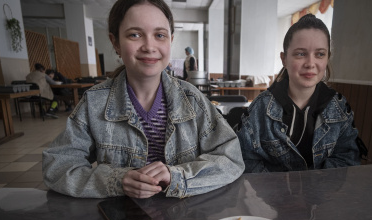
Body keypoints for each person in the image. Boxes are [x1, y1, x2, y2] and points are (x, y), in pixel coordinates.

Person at [42, 0, 244, 199]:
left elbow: (231, 158)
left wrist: (178, 177)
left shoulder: (192, 100)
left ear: (170, 40)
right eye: (135, 34)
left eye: (159, 35)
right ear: (115, 42)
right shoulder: (94, 103)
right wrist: (117, 180)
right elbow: (57, 166)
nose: (149, 46)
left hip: (186, 219)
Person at [235, 14, 361, 173]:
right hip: (272, 195)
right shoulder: (260, 107)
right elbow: (244, 159)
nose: (310, 63)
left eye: (320, 54)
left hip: (323, 195)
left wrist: (313, 187)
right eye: (300, 54)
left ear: (327, 58)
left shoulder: (340, 107)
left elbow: (347, 157)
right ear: (284, 59)